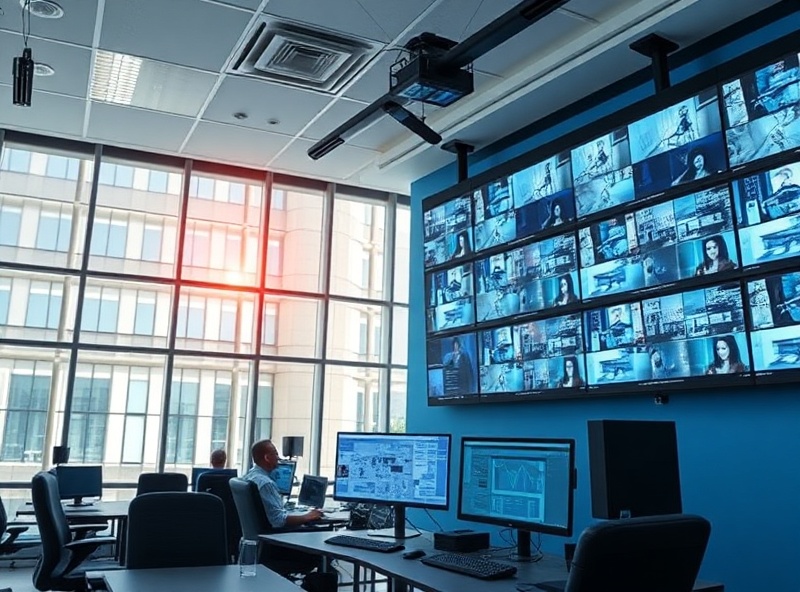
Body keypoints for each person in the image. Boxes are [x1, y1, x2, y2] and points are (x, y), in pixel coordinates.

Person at [243, 439, 324, 527]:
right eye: (276, 454)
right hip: (273, 535)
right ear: (267, 458)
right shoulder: (266, 484)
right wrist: (307, 517)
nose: (278, 458)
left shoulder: (248, 476)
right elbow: (279, 521)